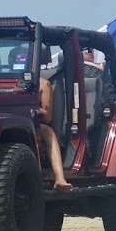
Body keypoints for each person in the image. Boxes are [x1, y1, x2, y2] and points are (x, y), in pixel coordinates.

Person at [38, 53, 71, 192]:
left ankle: (59, 178)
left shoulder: (44, 84)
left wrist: (34, 111)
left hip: (33, 123)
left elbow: (47, 117)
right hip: (6, 125)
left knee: (48, 131)